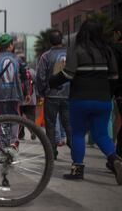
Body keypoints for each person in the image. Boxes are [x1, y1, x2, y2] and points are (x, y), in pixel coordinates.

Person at [49, 19, 122, 185]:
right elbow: (114, 77)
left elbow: (68, 74)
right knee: (101, 134)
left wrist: (52, 82)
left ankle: (77, 170)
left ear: (82, 32)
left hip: (80, 99)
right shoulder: (108, 51)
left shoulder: (76, 49)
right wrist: (108, 94)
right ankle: (115, 159)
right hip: (103, 100)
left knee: (77, 134)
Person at [0, 33, 30, 150]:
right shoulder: (18, 59)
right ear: (10, 45)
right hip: (14, 93)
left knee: (1, 118)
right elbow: (26, 76)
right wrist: (27, 93)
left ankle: (3, 142)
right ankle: (13, 141)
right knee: (15, 117)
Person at [36, 29, 72, 160]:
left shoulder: (46, 56)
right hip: (68, 95)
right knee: (68, 124)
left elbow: (40, 76)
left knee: (50, 125)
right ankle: (75, 149)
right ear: (61, 39)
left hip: (51, 95)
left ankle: (51, 153)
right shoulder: (70, 53)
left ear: (50, 41)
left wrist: (41, 92)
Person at [110, 21, 122, 169]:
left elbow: (112, 73)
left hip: (121, 93)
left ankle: (118, 157)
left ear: (118, 33)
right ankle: (119, 156)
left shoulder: (114, 49)